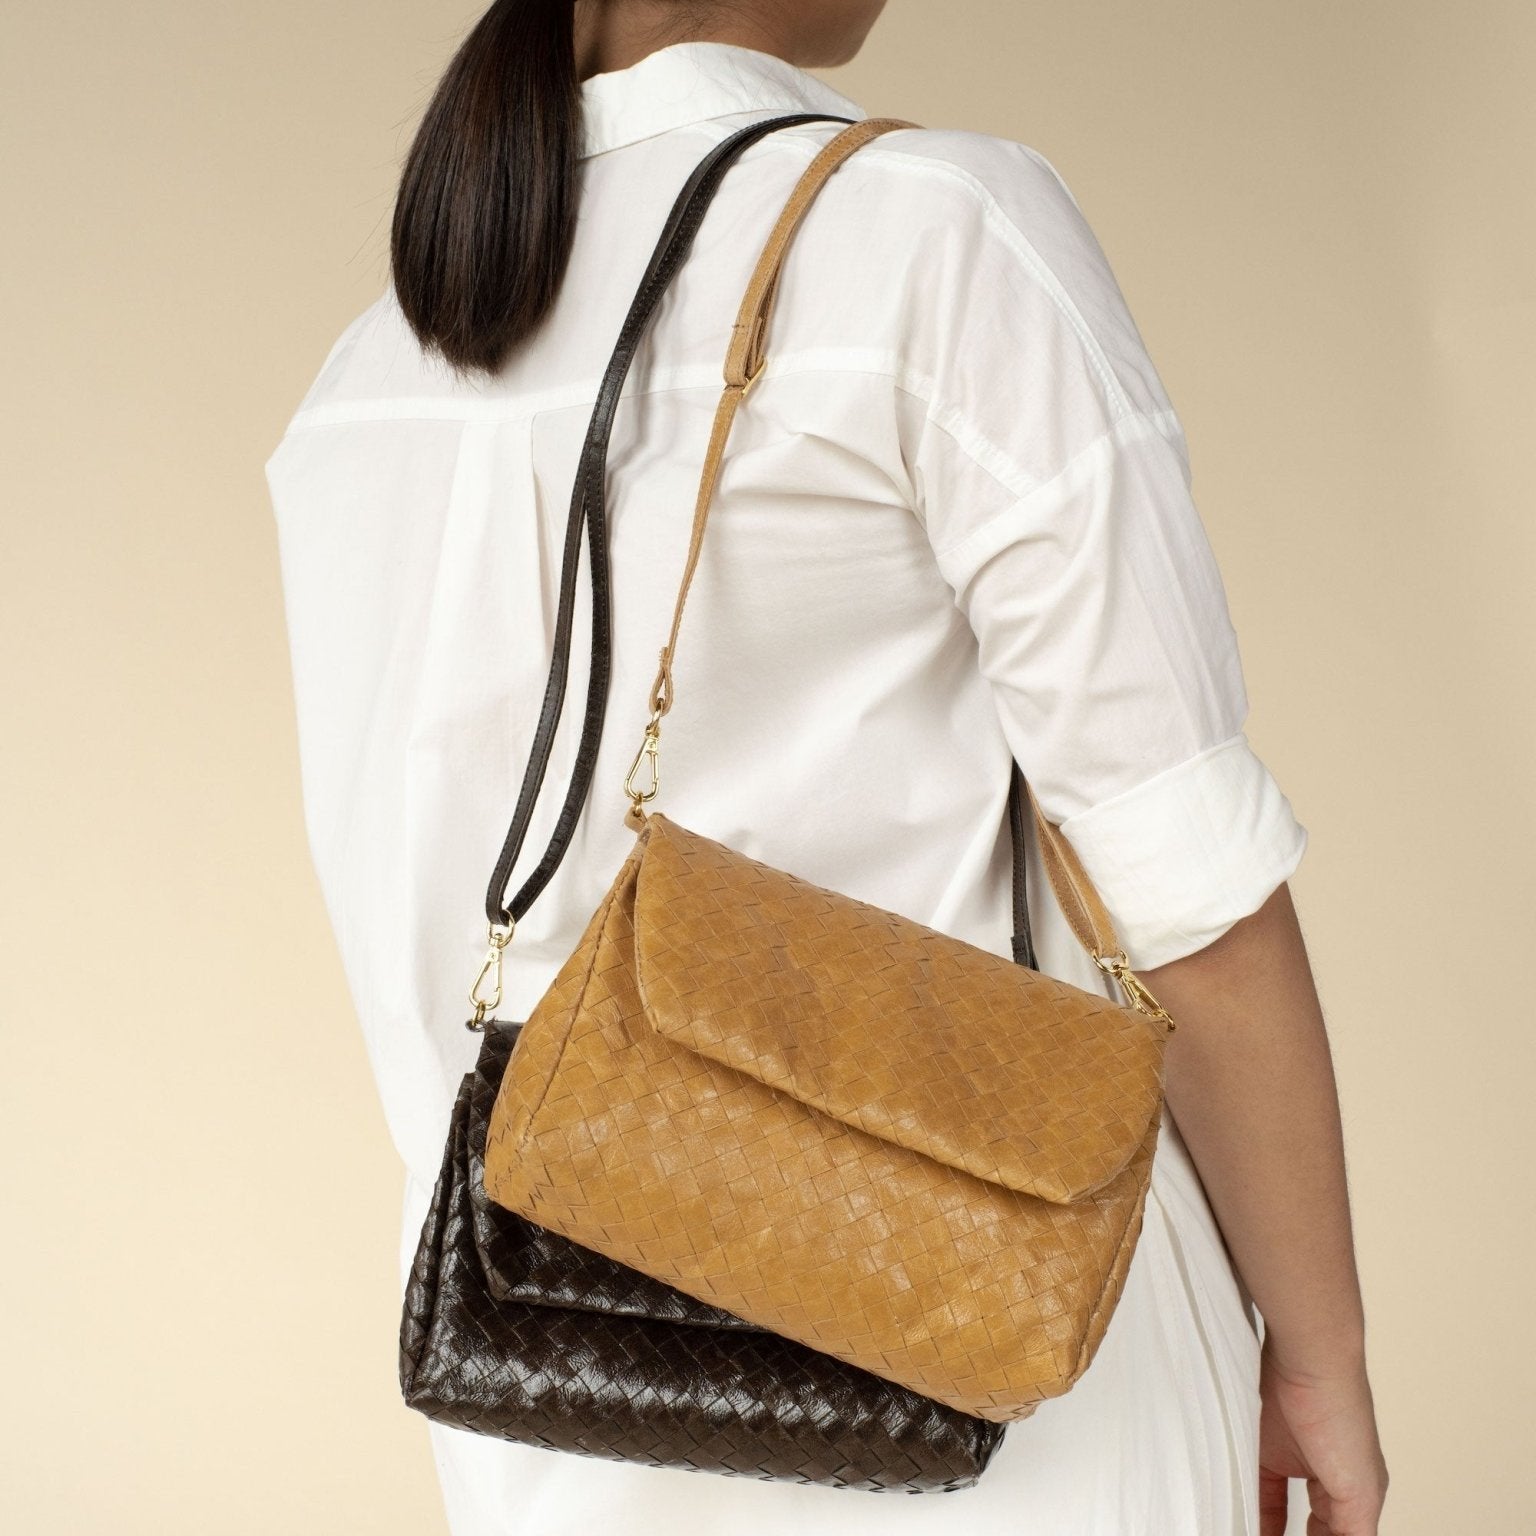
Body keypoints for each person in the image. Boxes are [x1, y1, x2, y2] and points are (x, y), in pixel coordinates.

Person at [264, 2, 1389, 1533]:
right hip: (1000, 1407)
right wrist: (1317, 1355)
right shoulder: (930, 234)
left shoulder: (365, 380)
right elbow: (1191, 899)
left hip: (555, 1430)